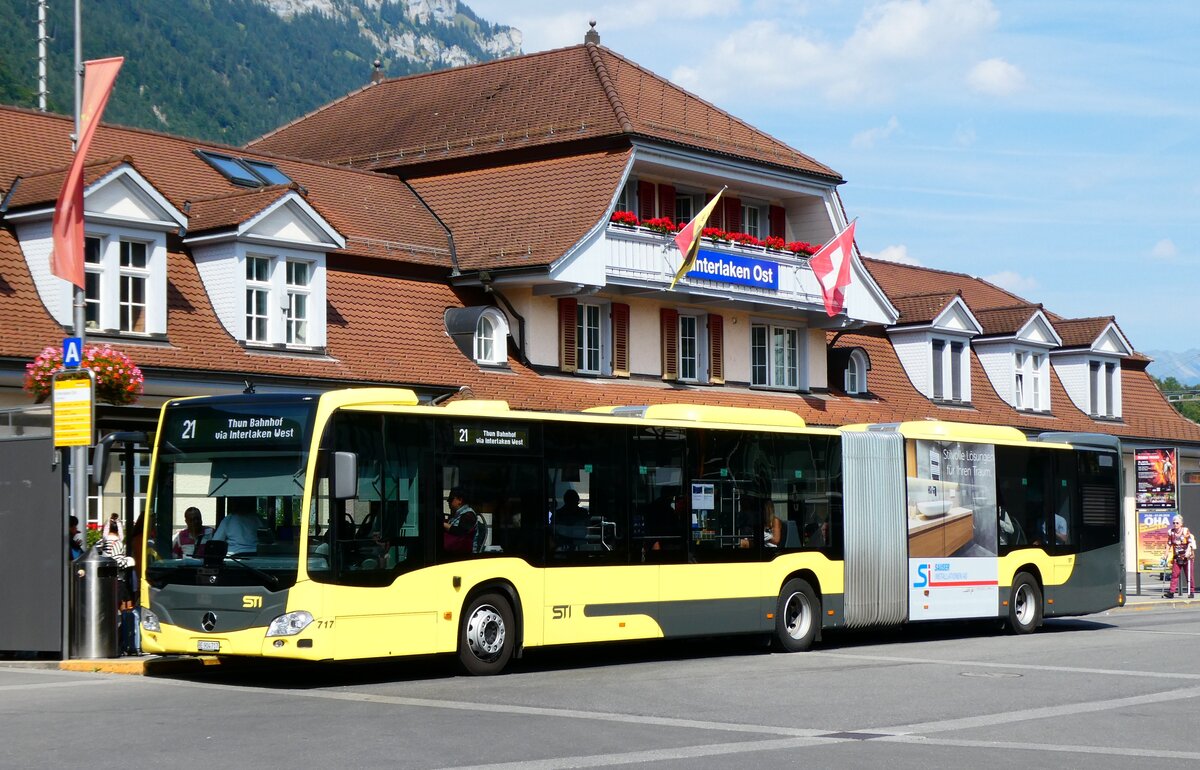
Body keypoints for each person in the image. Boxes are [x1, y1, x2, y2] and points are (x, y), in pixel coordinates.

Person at [1163, 514, 1196, 599]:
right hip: (1177, 557)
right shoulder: (1171, 532)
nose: (1175, 525)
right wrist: (1165, 554)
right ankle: (1171, 592)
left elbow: (1190, 542)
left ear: (1181, 524)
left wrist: (1189, 552)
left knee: (1189, 575)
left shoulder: (1185, 531)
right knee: (1174, 575)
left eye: (1177, 523)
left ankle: (1191, 591)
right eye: (1174, 523)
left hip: (1187, 557)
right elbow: (1169, 543)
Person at [443, 488, 478, 554]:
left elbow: (460, 531)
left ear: (460, 500)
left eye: (451, 500)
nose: (448, 502)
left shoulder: (468, 515)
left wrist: (444, 525)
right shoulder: (457, 514)